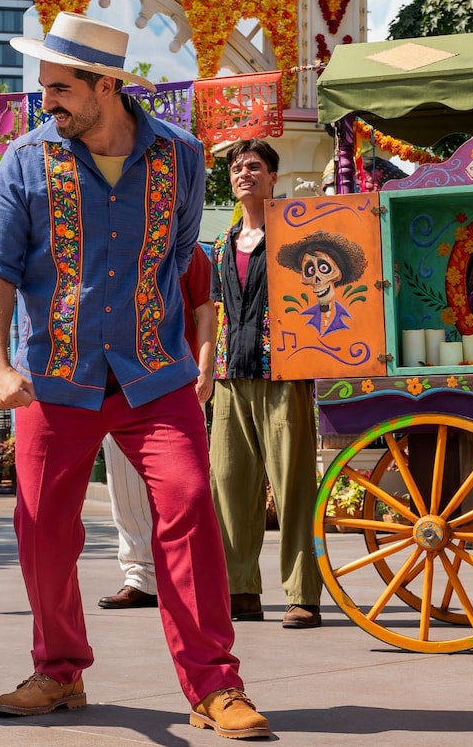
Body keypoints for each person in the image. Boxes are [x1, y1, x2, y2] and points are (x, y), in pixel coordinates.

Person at [0, 11, 270, 739]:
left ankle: (214, 686)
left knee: (192, 507)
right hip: (56, 377)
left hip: (153, 376)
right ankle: (59, 668)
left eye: (61, 88)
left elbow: (180, 260)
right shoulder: (24, 160)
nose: (48, 101)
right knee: (42, 526)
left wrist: (195, 342)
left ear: (108, 86)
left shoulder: (184, 156)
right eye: (45, 88)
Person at [210, 139, 323, 630]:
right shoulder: (219, 245)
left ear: (273, 177)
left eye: (254, 166)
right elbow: (211, 315)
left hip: (284, 373)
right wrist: (201, 374)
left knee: (293, 486)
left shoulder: (297, 237)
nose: (244, 174)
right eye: (237, 168)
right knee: (229, 486)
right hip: (229, 378)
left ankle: (302, 594)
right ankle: (241, 590)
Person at [98, 242, 216, 611]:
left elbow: (205, 309)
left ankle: (189, 580)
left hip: (174, 380)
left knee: (187, 490)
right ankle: (140, 576)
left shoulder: (189, 250)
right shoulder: (114, 241)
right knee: (124, 485)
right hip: (117, 377)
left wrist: (206, 366)